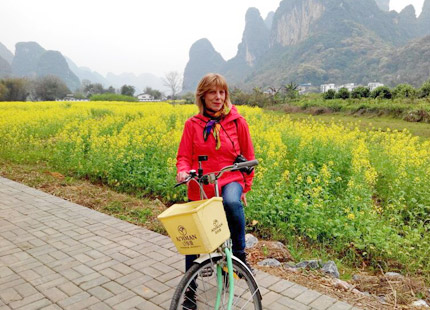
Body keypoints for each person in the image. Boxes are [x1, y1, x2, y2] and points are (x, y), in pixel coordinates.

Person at [176, 73, 255, 308]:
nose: (218, 97)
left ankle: (240, 255)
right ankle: (189, 293)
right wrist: (183, 171)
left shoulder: (238, 122)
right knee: (194, 241)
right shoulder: (192, 124)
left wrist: (244, 188)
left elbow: (249, 159)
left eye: (222, 92)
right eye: (212, 92)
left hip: (229, 178)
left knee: (231, 203)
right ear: (203, 95)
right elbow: (183, 157)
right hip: (201, 184)